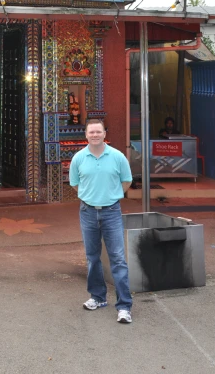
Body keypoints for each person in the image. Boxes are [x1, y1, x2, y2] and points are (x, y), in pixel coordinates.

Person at [69, 119, 133, 324]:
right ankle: (97, 297)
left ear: (105, 133)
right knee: (92, 256)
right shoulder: (79, 158)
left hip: (111, 211)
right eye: (91, 132)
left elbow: (127, 180)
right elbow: (75, 184)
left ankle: (124, 306)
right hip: (87, 212)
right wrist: (91, 197)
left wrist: (112, 197)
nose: (95, 135)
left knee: (118, 258)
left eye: (98, 131)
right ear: (86, 135)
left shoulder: (117, 156)